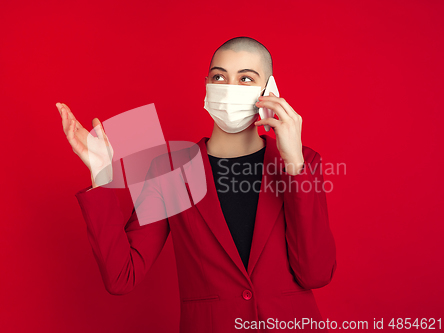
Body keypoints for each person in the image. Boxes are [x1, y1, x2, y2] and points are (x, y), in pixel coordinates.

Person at [56, 36, 337, 333]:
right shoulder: (170, 172)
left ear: (269, 90)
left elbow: (315, 273)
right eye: (220, 76)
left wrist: (294, 164)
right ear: (206, 85)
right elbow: (122, 276)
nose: (229, 88)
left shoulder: (302, 162)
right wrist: (102, 175)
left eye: (245, 79)